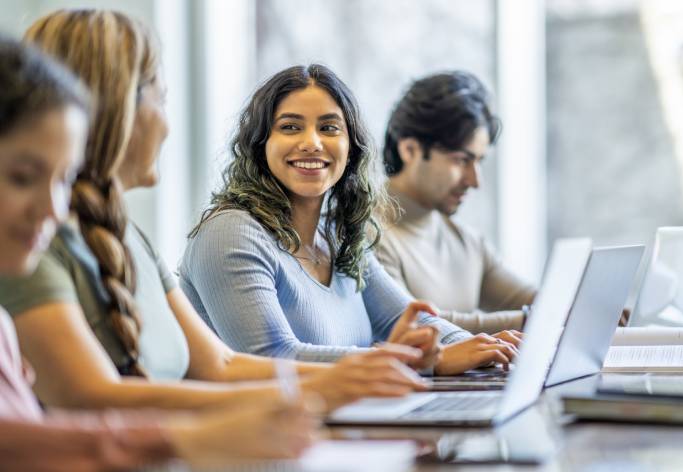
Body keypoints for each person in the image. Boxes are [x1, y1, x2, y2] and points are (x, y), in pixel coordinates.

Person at [0, 9, 428, 413]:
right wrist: (321, 387)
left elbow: (220, 366)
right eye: (162, 100)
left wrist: (357, 373)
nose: (168, 126)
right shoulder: (32, 238)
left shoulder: (125, 235)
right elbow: (95, 400)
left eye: (329, 128)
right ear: (115, 111)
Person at [0, 35, 315, 470]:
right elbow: (63, 416)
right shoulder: (227, 231)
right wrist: (185, 438)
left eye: (63, 180)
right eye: (20, 177)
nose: (53, 209)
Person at [180, 64, 519, 375]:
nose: (311, 142)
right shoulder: (230, 233)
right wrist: (415, 360)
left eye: (329, 128)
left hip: (339, 429)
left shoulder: (339, 236)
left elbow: (406, 318)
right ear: (260, 144)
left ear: (350, 147)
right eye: (290, 127)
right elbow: (272, 356)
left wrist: (483, 346)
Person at [378, 71, 536, 335]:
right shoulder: (367, 236)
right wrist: (538, 320)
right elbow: (412, 324)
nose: (475, 181)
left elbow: (538, 301)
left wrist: (582, 308)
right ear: (410, 150)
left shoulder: (467, 242)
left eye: (479, 161)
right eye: (462, 160)